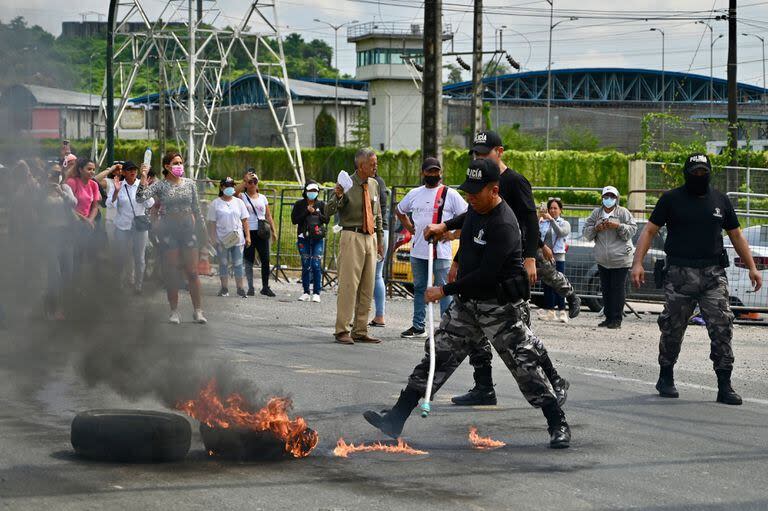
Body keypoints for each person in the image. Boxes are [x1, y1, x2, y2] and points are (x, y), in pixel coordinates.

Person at [364, 159, 571, 449]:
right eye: (468, 192)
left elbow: (485, 276)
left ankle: (557, 422)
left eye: (476, 192)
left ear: (495, 190)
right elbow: (465, 220)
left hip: (499, 306)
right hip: (467, 304)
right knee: (437, 357)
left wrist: (443, 290)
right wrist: (443, 226)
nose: (470, 197)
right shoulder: (476, 207)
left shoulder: (505, 224)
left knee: (525, 366)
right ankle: (396, 417)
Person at [426, 131, 572, 407]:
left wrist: (530, 256)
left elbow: (529, 219)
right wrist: (455, 252)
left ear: (499, 151)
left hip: (507, 264)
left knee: (522, 340)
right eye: (476, 154)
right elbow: (470, 220)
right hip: (479, 268)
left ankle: (554, 382)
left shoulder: (513, 182)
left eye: (484, 153)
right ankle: (483, 387)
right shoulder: (476, 185)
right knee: (472, 334)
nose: (479, 158)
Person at [631, 153, 763, 405]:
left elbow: (736, 235)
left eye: (704, 172)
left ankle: (724, 385)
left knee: (722, 326)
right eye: (696, 172)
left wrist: (752, 267)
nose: (700, 176)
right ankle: (666, 376)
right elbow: (649, 230)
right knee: (672, 328)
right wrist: (637, 262)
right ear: (687, 173)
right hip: (679, 274)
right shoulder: (671, 199)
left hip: (713, 275)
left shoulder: (720, 200)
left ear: (709, 173)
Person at [395, 157, 467, 338]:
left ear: (441, 173)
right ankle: (418, 326)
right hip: (418, 249)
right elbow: (400, 210)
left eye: (436, 171)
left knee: (443, 289)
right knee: (419, 287)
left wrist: (452, 235)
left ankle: (446, 327)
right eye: (430, 171)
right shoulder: (414, 194)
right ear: (423, 173)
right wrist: (410, 227)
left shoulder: (449, 194)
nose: (433, 174)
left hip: (441, 251)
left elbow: (467, 216)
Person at [137, 151, 207, 324]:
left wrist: (203, 231)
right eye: (175, 163)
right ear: (167, 166)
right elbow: (140, 198)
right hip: (170, 231)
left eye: (180, 162)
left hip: (188, 229)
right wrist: (143, 176)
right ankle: (174, 311)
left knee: (192, 272)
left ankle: (198, 311)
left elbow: (197, 209)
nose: (179, 166)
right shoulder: (160, 185)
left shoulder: (190, 184)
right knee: (173, 272)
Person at [325, 147, 384, 345]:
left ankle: (360, 329)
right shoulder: (347, 183)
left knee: (368, 286)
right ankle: (342, 329)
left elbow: (378, 215)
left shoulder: (374, 184)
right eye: (372, 164)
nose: (376, 167)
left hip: (370, 237)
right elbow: (328, 210)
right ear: (361, 165)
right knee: (349, 286)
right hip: (352, 235)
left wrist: (380, 241)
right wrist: (338, 195)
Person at [582, 186, 637, 329]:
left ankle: (616, 319)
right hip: (603, 259)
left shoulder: (623, 212)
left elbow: (632, 230)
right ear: (602, 198)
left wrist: (618, 226)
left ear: (617, 198)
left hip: (621, 259)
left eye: (612, 196)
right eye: (606, 196)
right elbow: (586, 233)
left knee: (618, 288)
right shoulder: (596, 213)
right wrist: (596, 228)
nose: (609, 199)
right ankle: (608, 317)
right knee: (605, 288)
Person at [107, 161, 154, 294]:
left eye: (134, 169)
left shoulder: (141, 183)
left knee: (139, 257)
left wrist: (144, 188)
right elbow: (110, 205)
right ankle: (119, 283)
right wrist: (116, 191)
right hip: (122, 226)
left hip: (139, 226)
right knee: (121, 256)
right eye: (129, 170)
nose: (132, 172)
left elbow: (149, 203)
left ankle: (138, 286)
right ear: (124, 172)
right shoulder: (118, 185)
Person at [42, 163, 77, 319]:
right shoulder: (41, 190)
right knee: (54, 273)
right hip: (49, 235)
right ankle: (52, 307)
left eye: (58, 173)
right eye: (53, 173)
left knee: (67, 272)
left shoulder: (64, 189)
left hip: (66, 235)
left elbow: (74, 203)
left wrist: (61, 192)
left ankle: (61, 305)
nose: (55, 176)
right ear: (47, 174)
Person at [207, 177, 251, 298]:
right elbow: (212, 223)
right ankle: (224, 288)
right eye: (227, 186)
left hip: (237, 239)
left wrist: (248, 236)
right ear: (221, 187)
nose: (230, 188)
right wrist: (213, 238)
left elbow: (245, 220)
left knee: (238, 263)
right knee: (223, 263)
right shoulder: (215, 203)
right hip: (222, 240)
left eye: (232, 185)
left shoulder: (239, 202)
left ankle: (240, 288)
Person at [238, 169, 277, 297]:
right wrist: (244, 181)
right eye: (250, 182)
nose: (252, 184)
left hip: (262, 232)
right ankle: (250, 287)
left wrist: (274, 231)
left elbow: (268, 215)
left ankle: (265, 287)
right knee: (248, 260)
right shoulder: (242, 197)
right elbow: (234, 192)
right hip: (248, 231)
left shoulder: (263, 197)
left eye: (254, 181)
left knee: (265, 259)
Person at [291, 180, 328, 302]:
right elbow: (294, 220)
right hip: (303, 237)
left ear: (318, 192)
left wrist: (316, 212)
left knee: (316, 264)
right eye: (310, 191)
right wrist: (307, 211)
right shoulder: (299, 204)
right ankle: (306, 291)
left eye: (315, 191)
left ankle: (317, 292)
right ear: (305, 191)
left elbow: (326, 219)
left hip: (317, 237)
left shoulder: (321, 204)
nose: (312, 193)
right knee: (306, 264)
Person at [539, 198, 572, 323]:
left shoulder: (564, 223)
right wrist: (538, 218)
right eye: (550, 208)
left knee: (560, 284)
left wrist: (551, 220)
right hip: (545, 258)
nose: (552, 210)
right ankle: (550, 311)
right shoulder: (543, 222)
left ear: (560, 210)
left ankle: (563, 311)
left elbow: (561, 232)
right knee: (547, 285)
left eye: (555, 208)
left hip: (558, 257)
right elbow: (536, 235)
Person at [65, 157, 102, 268]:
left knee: (83, 254)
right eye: (89, 169)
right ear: (80, 169)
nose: (92, 172)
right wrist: (85, 219)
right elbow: (67, 207)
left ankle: (80, 279)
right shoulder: (72, 182)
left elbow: (95, 206)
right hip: (73, 223)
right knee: (73, 254)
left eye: (93, 169)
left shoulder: (93, 184)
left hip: (86, 224)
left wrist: (90, 220)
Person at [371, 167, 389, 327]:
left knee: (372, 275)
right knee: (377, 275)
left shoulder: (374, 183)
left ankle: (378, 315)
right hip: (382, 231)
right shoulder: (380, 182)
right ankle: (379, 315)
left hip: (376, 232)